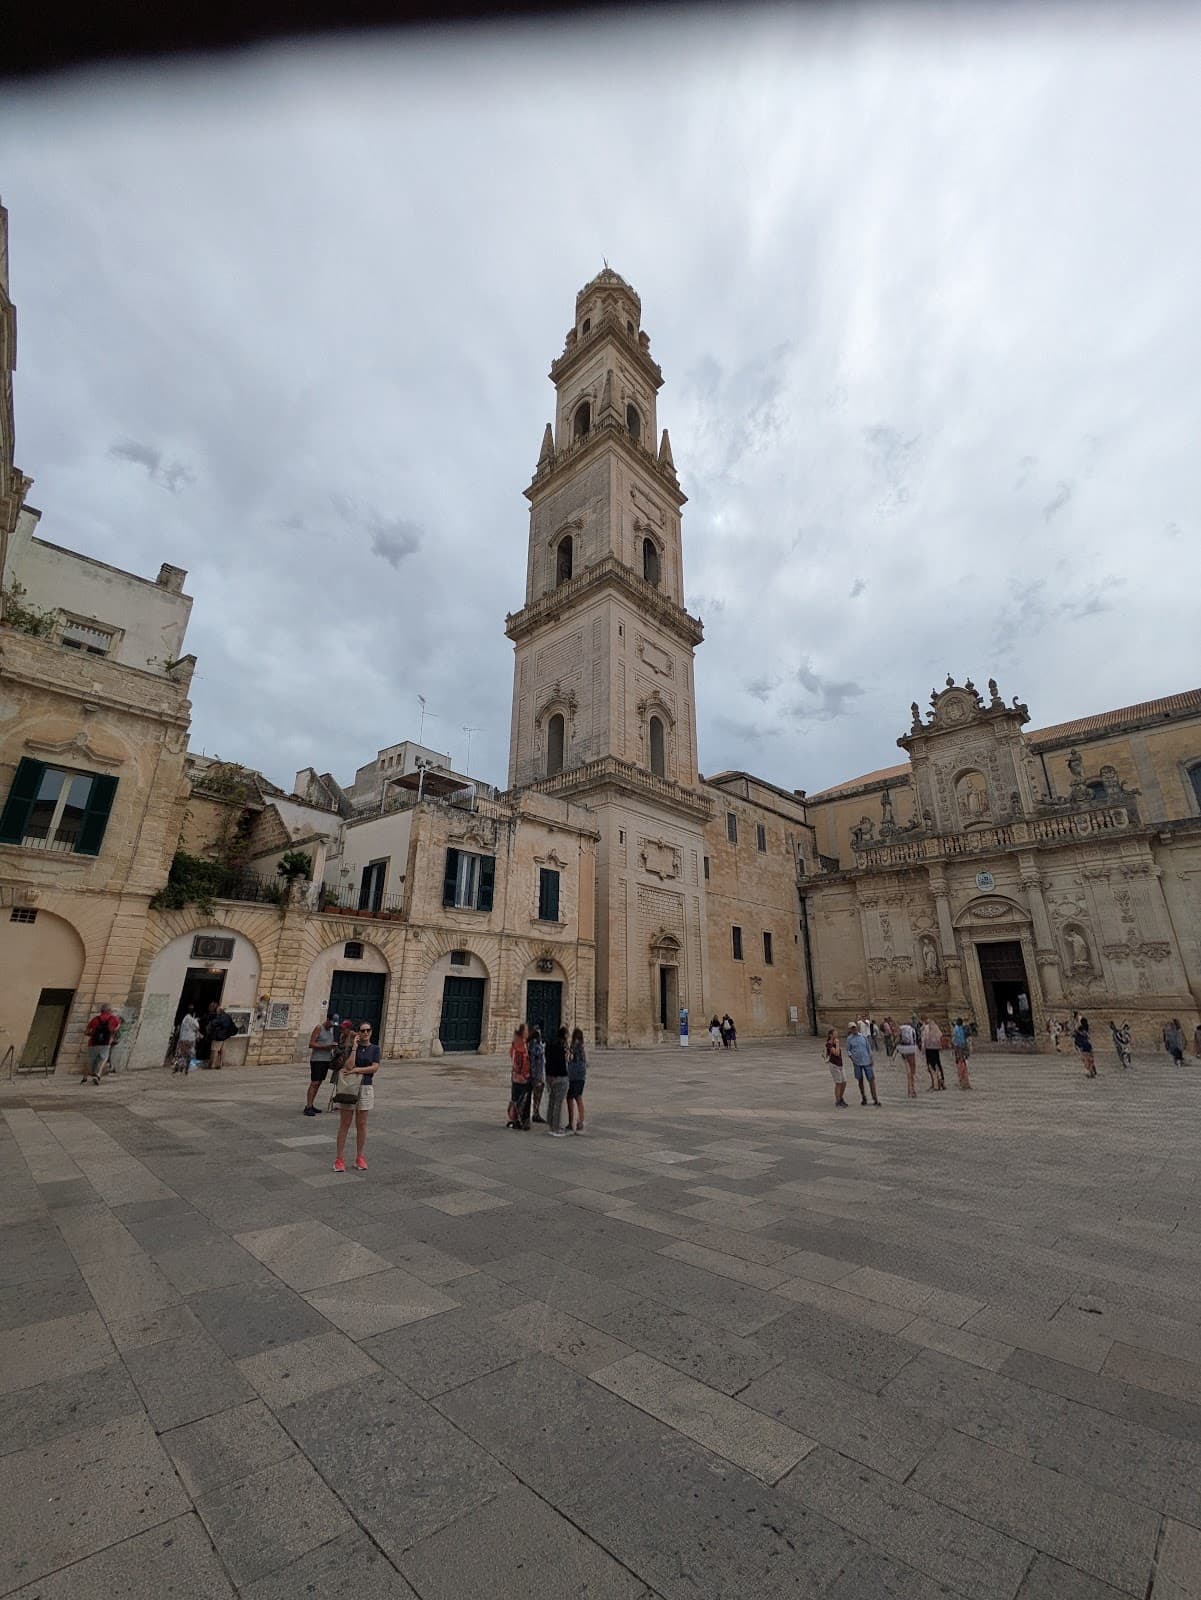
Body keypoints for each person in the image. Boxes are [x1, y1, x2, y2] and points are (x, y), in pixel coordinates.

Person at [333, 1021, 379, 1172]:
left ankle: (360, 1157)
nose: (365, 1033)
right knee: (344, 1124)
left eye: (368, 1030)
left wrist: (357, 1070)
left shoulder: (375, 1049)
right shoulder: (351, 1048)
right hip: (349, 1089)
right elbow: (348, 1067)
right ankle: (339, 1159)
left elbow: (375, 1067)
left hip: (365, 1088)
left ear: (371, 1032)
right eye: (362, 1030)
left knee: (362, 1124)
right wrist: (354, 1047)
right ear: (358, 1032)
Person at [82, 1003, 121, 1084]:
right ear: (109, 1010)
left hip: (93, 1042)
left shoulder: (95, 1019)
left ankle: (85, 1077)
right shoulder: (114, 1019)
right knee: (104, 1059)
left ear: (101, 1010)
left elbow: (87, 1031)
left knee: (89, 1059)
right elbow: (117, 1028)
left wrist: (91, 1034)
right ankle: (98, 1074)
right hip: (105, 1043)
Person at [305, 1015, 337, 1114]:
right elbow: (311, 1044)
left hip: (326, 1059)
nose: (332, 1026)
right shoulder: (319, 1028)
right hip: (317, 1059)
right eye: (331, 1023)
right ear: (327, 1020)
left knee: (319, 1083)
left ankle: (311, 1104)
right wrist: (326, 1047)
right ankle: (308, 1106)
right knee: (314, 1082)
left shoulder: (331, 1030)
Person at [846, 1023, 880, 1106]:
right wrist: (852, 1058)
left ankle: (875, 1098)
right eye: (852, 1028)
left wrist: (871, 1058)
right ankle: (863, 1097)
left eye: (855, 1027)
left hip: (866, 1061)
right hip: (857, 1062)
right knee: (860, 1080)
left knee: (871, 1079)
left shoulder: (863, 1037)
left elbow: (868, 1048)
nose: (854, 1029)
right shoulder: (849, 1039)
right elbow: (848, 1050)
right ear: (850, 1029)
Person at [545, 1025, 570, 1135]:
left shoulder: (549, 1046)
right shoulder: (560, 1047)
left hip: (549, 1076)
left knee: (552, 1100)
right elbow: (561, 1063)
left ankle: (550, 1123)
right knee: (558, 1103)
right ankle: (555, 1127)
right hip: (560, 1077)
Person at [507, 1024, 531, 1129]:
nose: (528, 1032)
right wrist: (521, 1074)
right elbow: (516, 1060)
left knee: (523, 1099)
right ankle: (517, 1120)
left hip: (524, 1076)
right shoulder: (518, 1045)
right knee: (518, 1099)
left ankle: (521, 1120)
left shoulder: (525, 1044)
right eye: (526, 1030)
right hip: (520, 1077)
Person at [566, 1026, 587, 1133]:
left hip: (573, 1076)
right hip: (580, 1077)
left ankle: (571, 1122)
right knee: (578, 1098)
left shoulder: (575, 1047)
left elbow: (570, 1059)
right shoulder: (581, 1047)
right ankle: (580, 1121)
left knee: (570, 1098)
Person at [208, 1003, 237, 1068]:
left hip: (218, 1036)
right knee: (222, 1050)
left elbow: (214, 1023)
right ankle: (220, 1064)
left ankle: (213, 1064)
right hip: (225, 1036)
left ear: (219, 1010)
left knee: (215, 1050)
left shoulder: (220, 1017)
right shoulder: (227, 1016)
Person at [823, 1028, 847, 1107]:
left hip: (840, 1064)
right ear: (831, 1035)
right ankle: (838, 1101)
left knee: (844, 1082)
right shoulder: (829, 1044)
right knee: (838, 1083)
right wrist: (837, 1044)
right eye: (835, 1034)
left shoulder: (835, 1042)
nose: (837, 1035)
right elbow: (836, 1053)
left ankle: (841, 1097)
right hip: (834, 1065)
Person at [527, 1026, 547, 1122]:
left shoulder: (529, 1045)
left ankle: (531, 1114)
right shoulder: (536, 1046)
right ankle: (535, 1113)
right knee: (537, 1095)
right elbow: (537, 1062)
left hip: (532, 1075)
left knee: (531, 1095)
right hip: (537, 1075)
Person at [922, 1016, 946, 1090]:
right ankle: (941, 1081)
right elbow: (940, 1036)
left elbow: (924, 1039)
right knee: (938, 1064)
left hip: (929, 1049)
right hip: (936, 1048)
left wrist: (922, 1050)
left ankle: (934, 1084)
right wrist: (940, 1046)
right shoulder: (936, 1027)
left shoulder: (926, 1028)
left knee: (931, 1066)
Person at [897, 1019, 919, 1098]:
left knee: (908, 1072)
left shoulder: (901, 1029)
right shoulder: (912, 1030)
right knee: (912, 1072)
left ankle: (909, 1090)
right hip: (911, 1049)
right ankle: (912, 1089)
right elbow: (916, 1039)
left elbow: (898, 1039)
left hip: (904, 1050)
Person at [174, 1006, 199, 1073]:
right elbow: (197, 1028)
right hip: (190, 1039)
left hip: (183, 1038)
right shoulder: (193, 1020)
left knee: (181, 1053)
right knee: (189, 1053)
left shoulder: (184, 1019)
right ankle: (186, 1068)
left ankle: (179, 1066)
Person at [950, 1017, 973, 1089]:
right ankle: (966, 1082)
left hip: (958, 1048)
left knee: (960, 1064)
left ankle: (962, 1081)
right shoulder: (963, 1029)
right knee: (964, 1063)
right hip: (964, 1048)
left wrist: (953, 1047)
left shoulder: (956, 1029)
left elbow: (954, 1040)